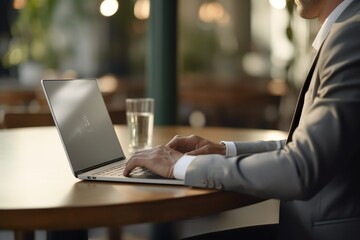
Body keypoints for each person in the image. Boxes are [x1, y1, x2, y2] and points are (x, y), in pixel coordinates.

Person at [124, 0, 360, 239]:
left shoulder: (350, 34)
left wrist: (180, 166)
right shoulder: (345, 29)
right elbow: (306, 145)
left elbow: (301, 167)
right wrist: (224, 151)